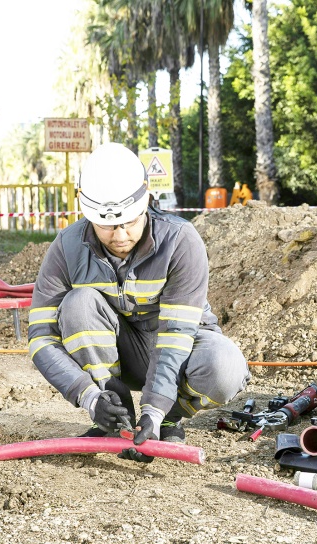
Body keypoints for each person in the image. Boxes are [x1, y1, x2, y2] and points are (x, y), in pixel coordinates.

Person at [28, 142, 250, 461]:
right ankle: (115, 416)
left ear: (146, 199)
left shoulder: (180, 241)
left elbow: (176, 336)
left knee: (226, 368)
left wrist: (156, 411)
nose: (119, 236)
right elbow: (41, 339)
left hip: (180, 351)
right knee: (79, 304)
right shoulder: (66, 248)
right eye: (106, 225)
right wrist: (90, 397)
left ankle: (170, 415)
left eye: (130, 221)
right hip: (120, 356)